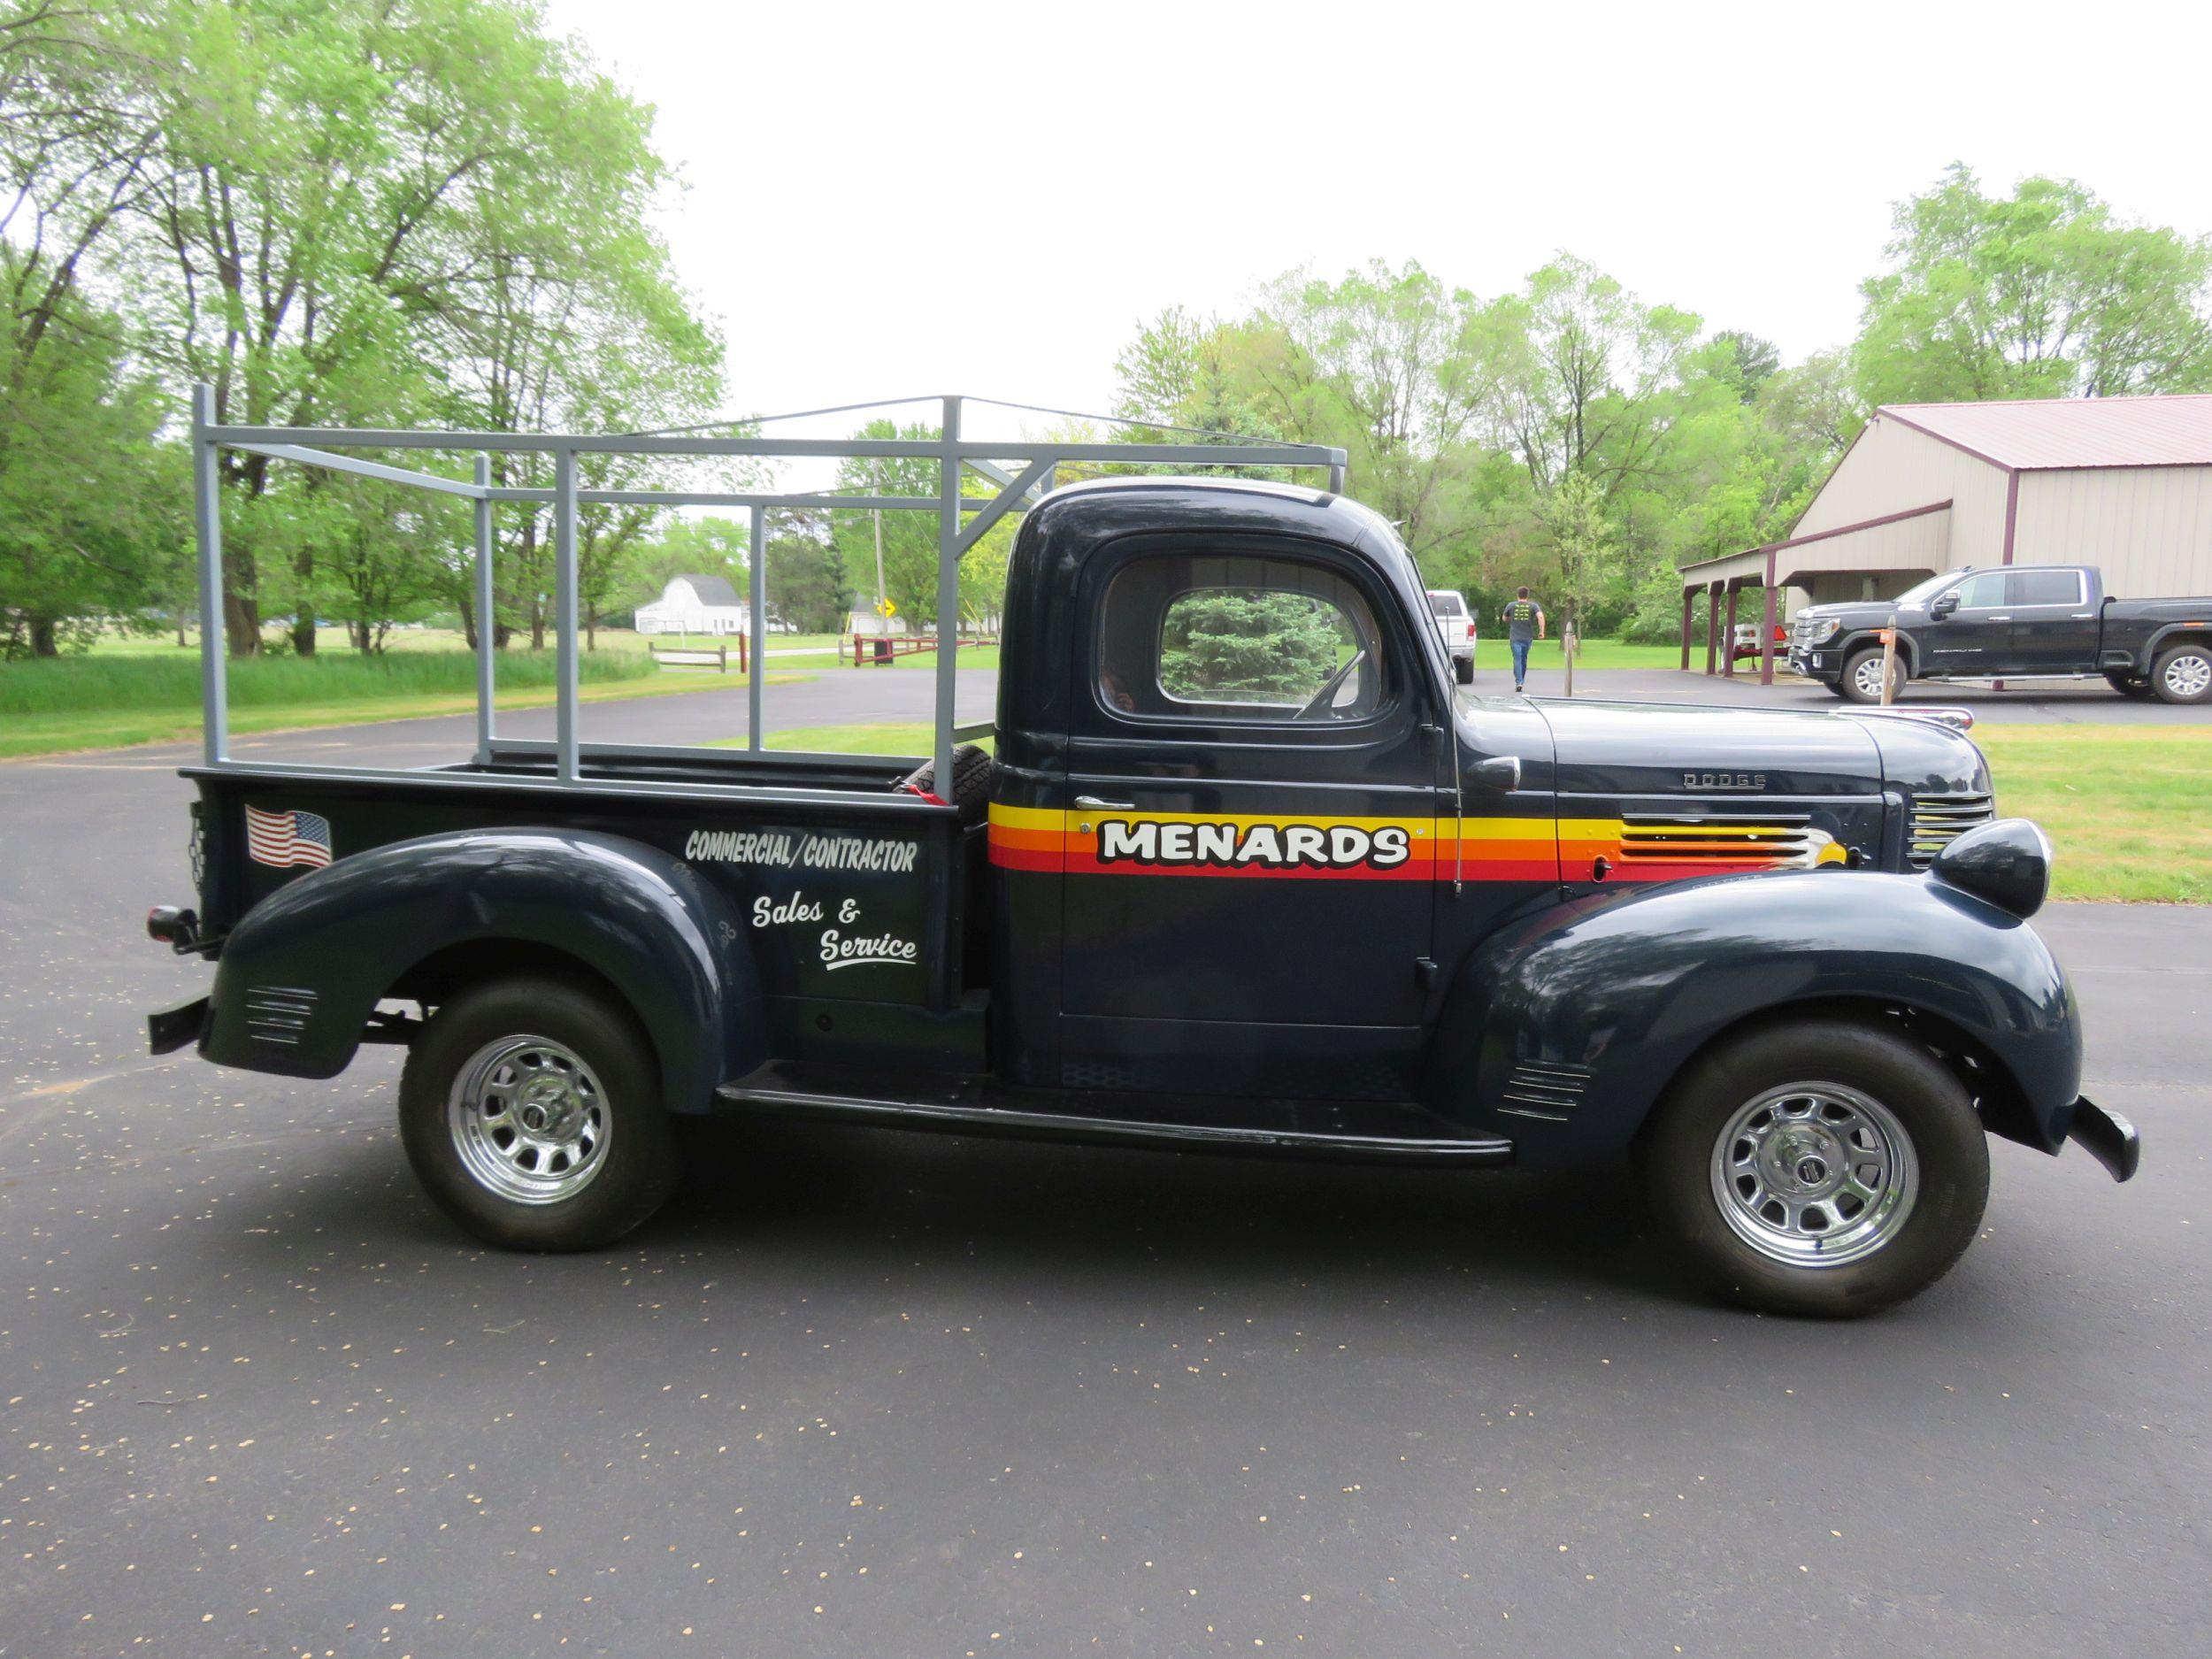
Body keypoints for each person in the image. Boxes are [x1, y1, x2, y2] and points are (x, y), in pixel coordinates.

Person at [1502, 587, 1546, 693]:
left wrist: (1509, 619)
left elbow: (1504, 618)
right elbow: (1540, 616)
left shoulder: (1511, 605)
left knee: (1517, 659)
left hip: (1515, 637)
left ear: (1518, 595)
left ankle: (1519, 682)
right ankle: (1521, 680)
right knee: (1524, 659)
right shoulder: (1533, 606)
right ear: (1527, 595)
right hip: (1527, 637)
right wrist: (1541, 631)